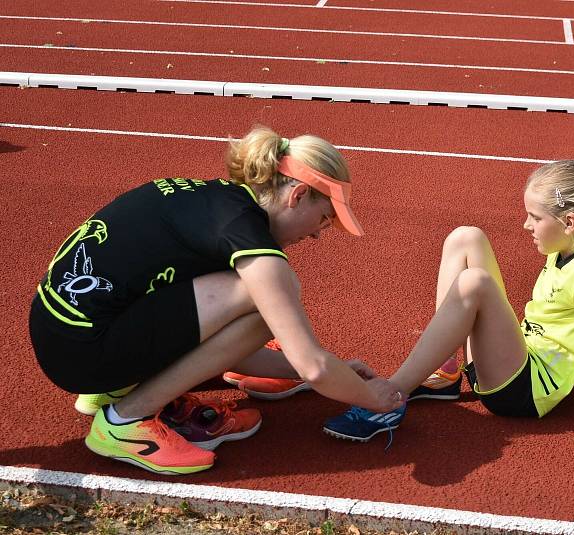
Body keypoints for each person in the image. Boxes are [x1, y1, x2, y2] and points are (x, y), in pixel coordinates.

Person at [28, 125, 406, 474]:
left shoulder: (216, 200)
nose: (318, 236)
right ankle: (126, 420)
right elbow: (315, 368)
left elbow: (211, 336)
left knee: (245, 298)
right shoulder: (245, 235)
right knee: (264, 301)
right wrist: (372, 397)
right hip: (84, 352)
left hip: (61, 332)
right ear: (298, 194)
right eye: (324, 219)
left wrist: (321, 369)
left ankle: (110, 390)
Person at [320, 160, 574, 441]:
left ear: (569, 223)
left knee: (476, 283)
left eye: (535, 217)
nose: (525, 225)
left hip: (525, 391)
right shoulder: (566, 249)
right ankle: (444, 375)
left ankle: (390, 397)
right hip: (520, 355)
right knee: (467, 236)